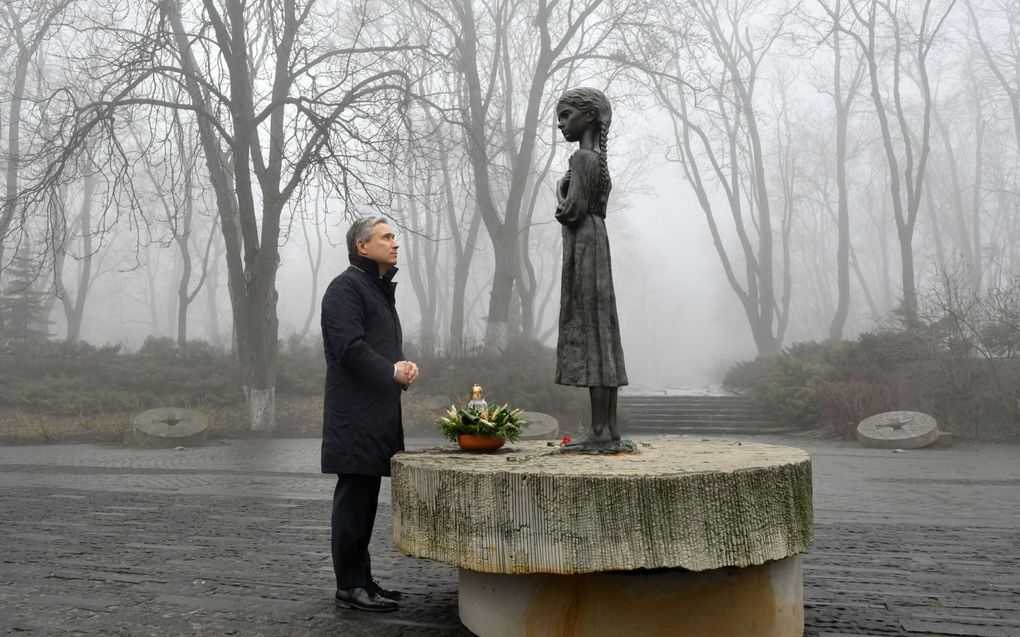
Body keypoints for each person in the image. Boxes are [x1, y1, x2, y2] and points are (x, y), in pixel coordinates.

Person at [320, 216, 419, 612]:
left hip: (374, 415)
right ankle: (349, 586)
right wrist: (392, 370)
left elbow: (377, 350)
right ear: (362, 246)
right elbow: (350, 349)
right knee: (353, 501)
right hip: (353, 416)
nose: (395, 244)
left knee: (364, 503)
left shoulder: (375, 289)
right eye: (386, 237)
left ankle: (362, 580)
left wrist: (402, 369)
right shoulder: (345, 288)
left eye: (394, 237)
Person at [554, 87, 628, 444]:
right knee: (602, 330)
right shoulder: (599, 160)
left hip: (585, 243)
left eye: (567, 115)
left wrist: (560, 190)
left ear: (590, 117)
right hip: (598, 241)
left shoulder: (582, 159)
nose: (561, 124)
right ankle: (608, 426)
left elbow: (571, 211)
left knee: (590, 330)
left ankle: (598, 429)